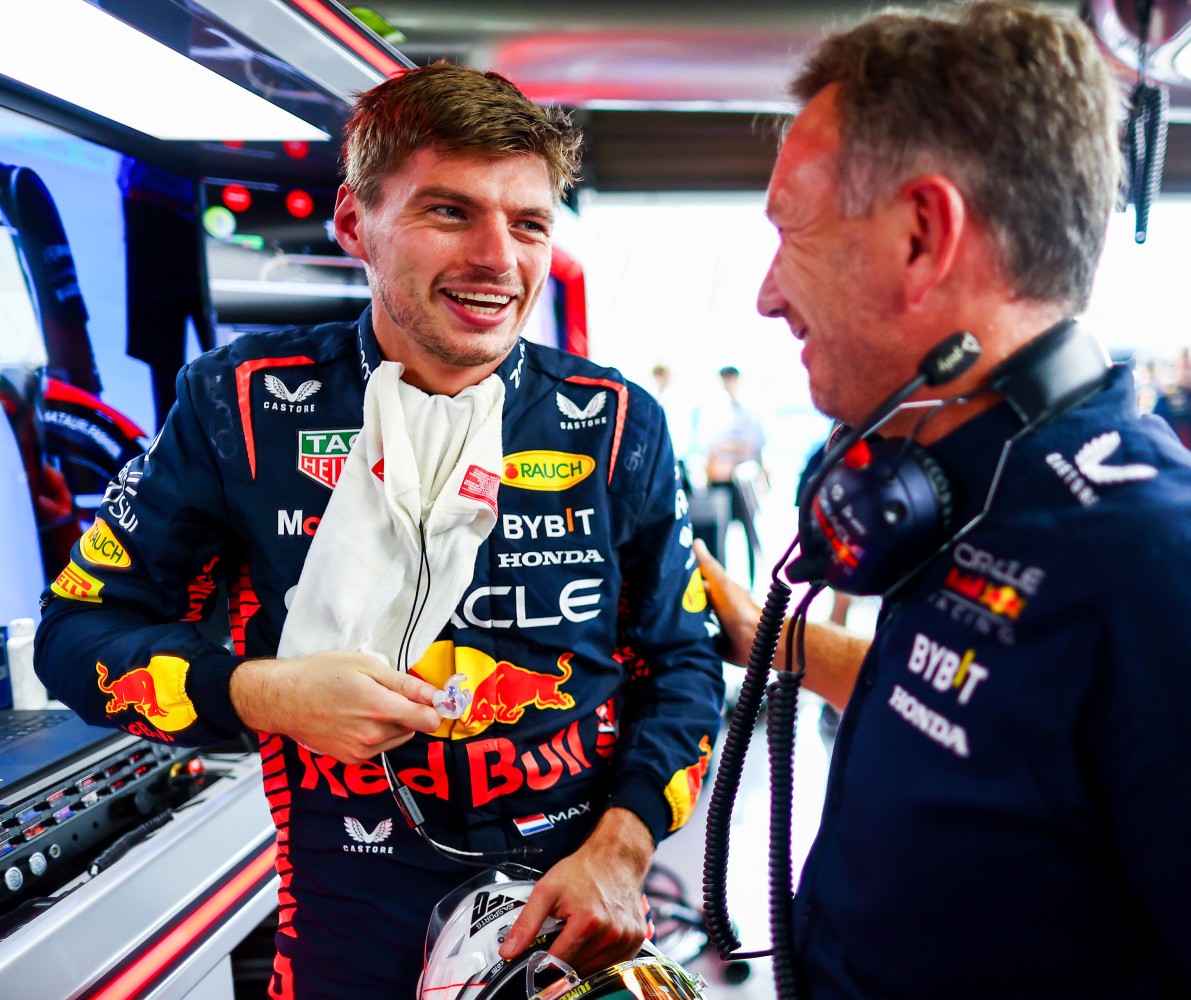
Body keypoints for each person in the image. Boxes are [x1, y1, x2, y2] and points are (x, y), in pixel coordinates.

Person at [696, 4, 1191, 997]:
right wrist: (772, 639)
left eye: (792, 229)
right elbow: (996, 706)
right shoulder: (976, 496)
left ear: (923, 233)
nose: (768, 293)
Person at [34, 64, 723, 999]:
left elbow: (684, 664)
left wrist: (625, 841)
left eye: (528, 224)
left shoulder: (613, 420)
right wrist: (261, 691)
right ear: (356, 224)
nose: (498, 257)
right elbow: (76, 637)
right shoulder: (237, 404)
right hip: (345, 929)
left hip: (570, 918)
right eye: (450, 212)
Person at [697, 364, 765, 582]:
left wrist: (728, 449)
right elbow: (708, 448)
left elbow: (755, 446)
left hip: (744, 481)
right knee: (719, 533)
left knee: (750, 535)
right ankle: (721, 581)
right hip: (721, 481)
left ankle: (753, 582)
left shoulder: (750, 411)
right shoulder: (712, 411)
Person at [1153, 346, 1191, 459]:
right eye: (1183, 366)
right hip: (1173, 462)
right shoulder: (1166, 400)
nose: (1187, 371)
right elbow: (1156, 434)